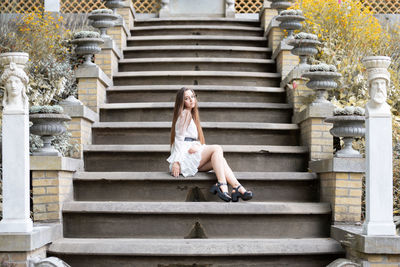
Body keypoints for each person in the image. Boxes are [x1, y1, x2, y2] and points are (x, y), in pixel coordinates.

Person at [167, 87, 253, 202]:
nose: (191, 100)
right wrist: (176, 162)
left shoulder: (190, 115)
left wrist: (197, 145)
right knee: (217, 148)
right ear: (182, 102)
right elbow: (178, 139)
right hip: (184, 158)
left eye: (193, 96)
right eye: (187, 98)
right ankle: (222, 185)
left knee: (219, 160)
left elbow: (190, 139)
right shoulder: (185, 114)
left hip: (190, 156)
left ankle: (237, 187)